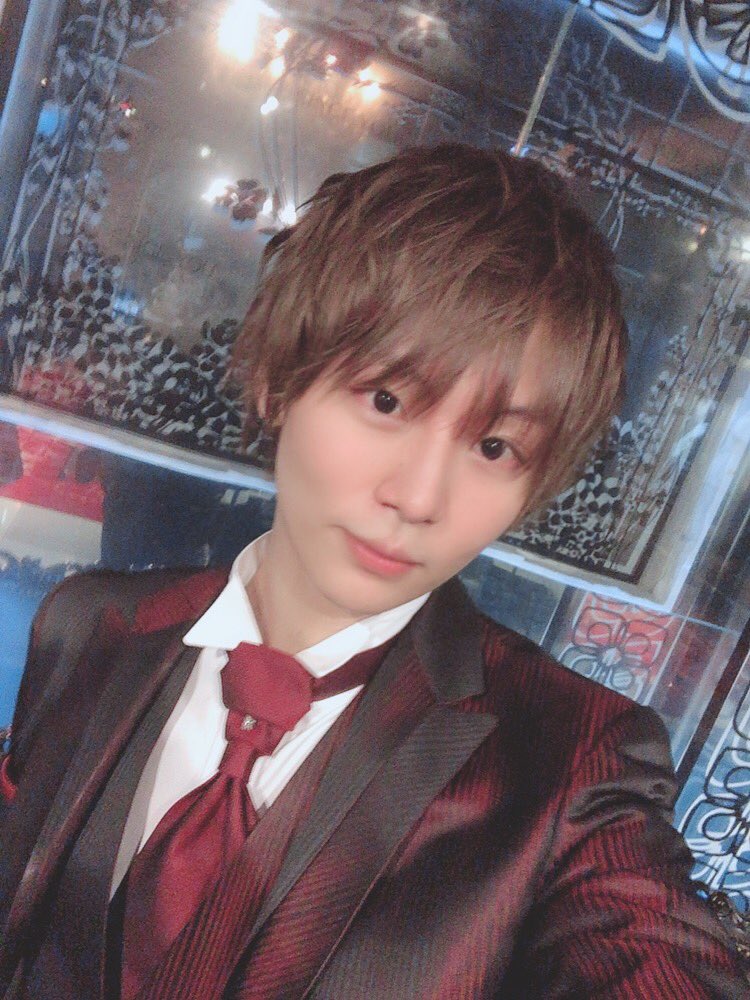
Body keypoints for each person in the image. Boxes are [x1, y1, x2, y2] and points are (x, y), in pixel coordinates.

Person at [0, 144, 745, 999]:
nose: (419, 497)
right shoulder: (89, 621)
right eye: (387, 401)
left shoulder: (574, 760)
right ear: (280, 380)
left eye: (494, 446)